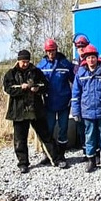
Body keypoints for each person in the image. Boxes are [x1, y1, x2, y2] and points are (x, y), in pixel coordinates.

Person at [3, 49, 67, 173]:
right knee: (20, 139)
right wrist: (22, 89)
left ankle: (56, 159)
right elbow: (7, 89)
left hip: (36, 110)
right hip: (19, 112)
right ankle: (23, 163)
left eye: (27, 61)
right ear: (18, 61)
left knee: (46, 136)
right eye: (23, 62)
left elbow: (45, 86)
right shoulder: (11, 74)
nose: (25, 64)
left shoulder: (36, 72)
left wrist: (38, 89)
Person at [71, 44, 101, 172]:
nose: (91, 60)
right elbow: (75, 95)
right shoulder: (80, 74)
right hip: (87, 112)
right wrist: (75, 111)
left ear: (97, 58)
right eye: (88, 58)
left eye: (93, 57)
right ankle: (91, 161)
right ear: (85, 59)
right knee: (90, 136)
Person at [35, 38, 75, 166]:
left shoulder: (65, 64)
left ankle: (62, 155)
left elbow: (76, 81)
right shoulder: (41, 66)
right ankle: (48, 154)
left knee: (63, 129)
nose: (51, 53)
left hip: (64, 103)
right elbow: (36, 82)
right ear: (45, 51)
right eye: (48, 51)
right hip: (49, 103)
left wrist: (74, 98)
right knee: (49, 129)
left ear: (56, 50)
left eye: (53, 50)